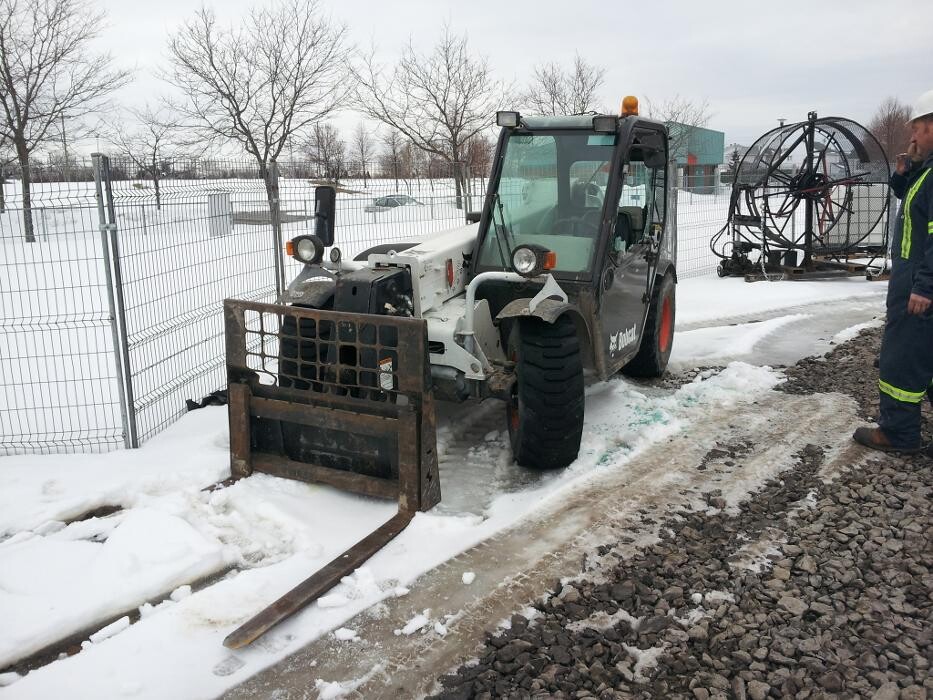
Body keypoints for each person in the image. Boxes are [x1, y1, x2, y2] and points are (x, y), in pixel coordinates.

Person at [853, 89, 933, 453]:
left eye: (916, 129)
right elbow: (916, 205)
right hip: (919, 278)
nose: (911, 137)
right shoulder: (926, 172)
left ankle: (898, 433)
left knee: (901, 357)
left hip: (917, 283)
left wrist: (924, 284)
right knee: (926, 357)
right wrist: (904, 174)